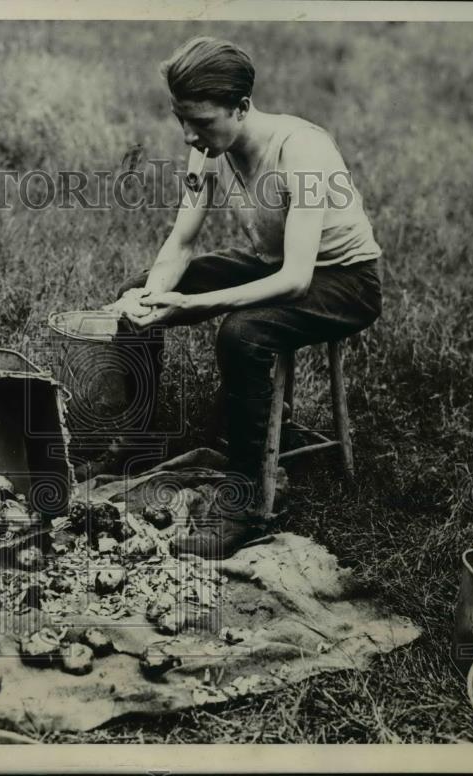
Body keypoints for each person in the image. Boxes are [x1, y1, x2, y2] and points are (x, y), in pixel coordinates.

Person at [103, 36, 384, 558]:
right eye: (180, 118)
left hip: (344, 280)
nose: (190, 134)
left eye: (203, 122)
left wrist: (196, 305)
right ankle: (134, 440)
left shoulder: (301, 149)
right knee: (133, 291)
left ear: (242, 107)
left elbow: (297, 280)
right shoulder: (206, 146)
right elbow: (182, 241)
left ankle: (244, 497)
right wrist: (155, 297)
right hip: (273, 264)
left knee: (243, 333)